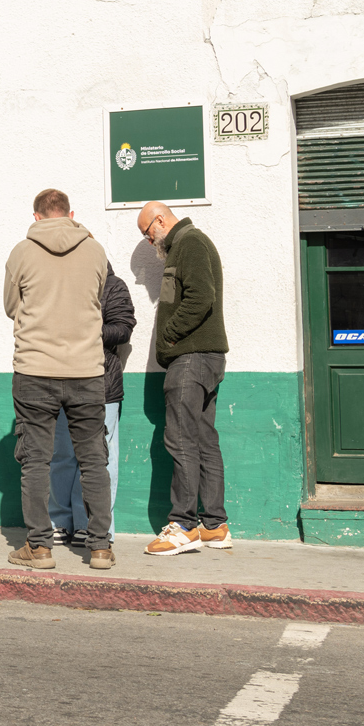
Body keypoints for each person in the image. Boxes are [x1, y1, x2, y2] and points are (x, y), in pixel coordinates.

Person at [1, 188, 115, 571]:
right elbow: (98, 298)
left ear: (36, 217)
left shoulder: (21, 252)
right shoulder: (96, 251)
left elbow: (11, 307)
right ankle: (100, 548)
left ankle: (39, 548)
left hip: (35, 370)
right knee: (94, 461)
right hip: (86, 370)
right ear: (71, 214)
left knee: (36, 461)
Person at [138, 201, 232, 557]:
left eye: (148, 234)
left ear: (160, 220)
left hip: (191, 358)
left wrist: (169, 336)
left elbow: (201, 297)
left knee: (180, 440)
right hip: (204, 358)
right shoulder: (187, 244)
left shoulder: (190, 243)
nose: (150, 242)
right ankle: (214, 526)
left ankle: (183, 526)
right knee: (204, 440)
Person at [48, 266, 136, 549]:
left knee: (100, 458)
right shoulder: (61, 282)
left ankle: (90, 525)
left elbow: (123, 328)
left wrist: (86, 330)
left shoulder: (113, 285)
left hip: (102, 387)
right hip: (62, 382)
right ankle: (60, 521)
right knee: (62, 455)